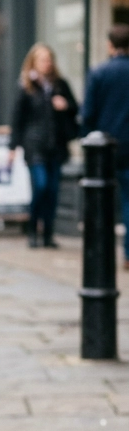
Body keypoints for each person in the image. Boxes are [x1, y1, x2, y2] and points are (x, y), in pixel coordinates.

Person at [9, 43, 79, 248]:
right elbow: (17, 119)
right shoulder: (26, 86)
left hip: (56, 145)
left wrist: (65, 105)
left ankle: (48, 234)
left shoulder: (60, 84)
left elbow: (76, 108)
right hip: (34, 145)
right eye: (42, 60)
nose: (46, 64)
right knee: (41, 186)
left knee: (53, 190)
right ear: (33, 62)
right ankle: (32, 229)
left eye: (49, 60)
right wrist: (13, 147)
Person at [82, 23, 129, 271]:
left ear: (110, 45)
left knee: (102, 202)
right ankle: (128, 254)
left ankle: (101, 256)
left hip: (105, 150)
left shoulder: (99, 73)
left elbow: (88, 114)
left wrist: (86, 140)